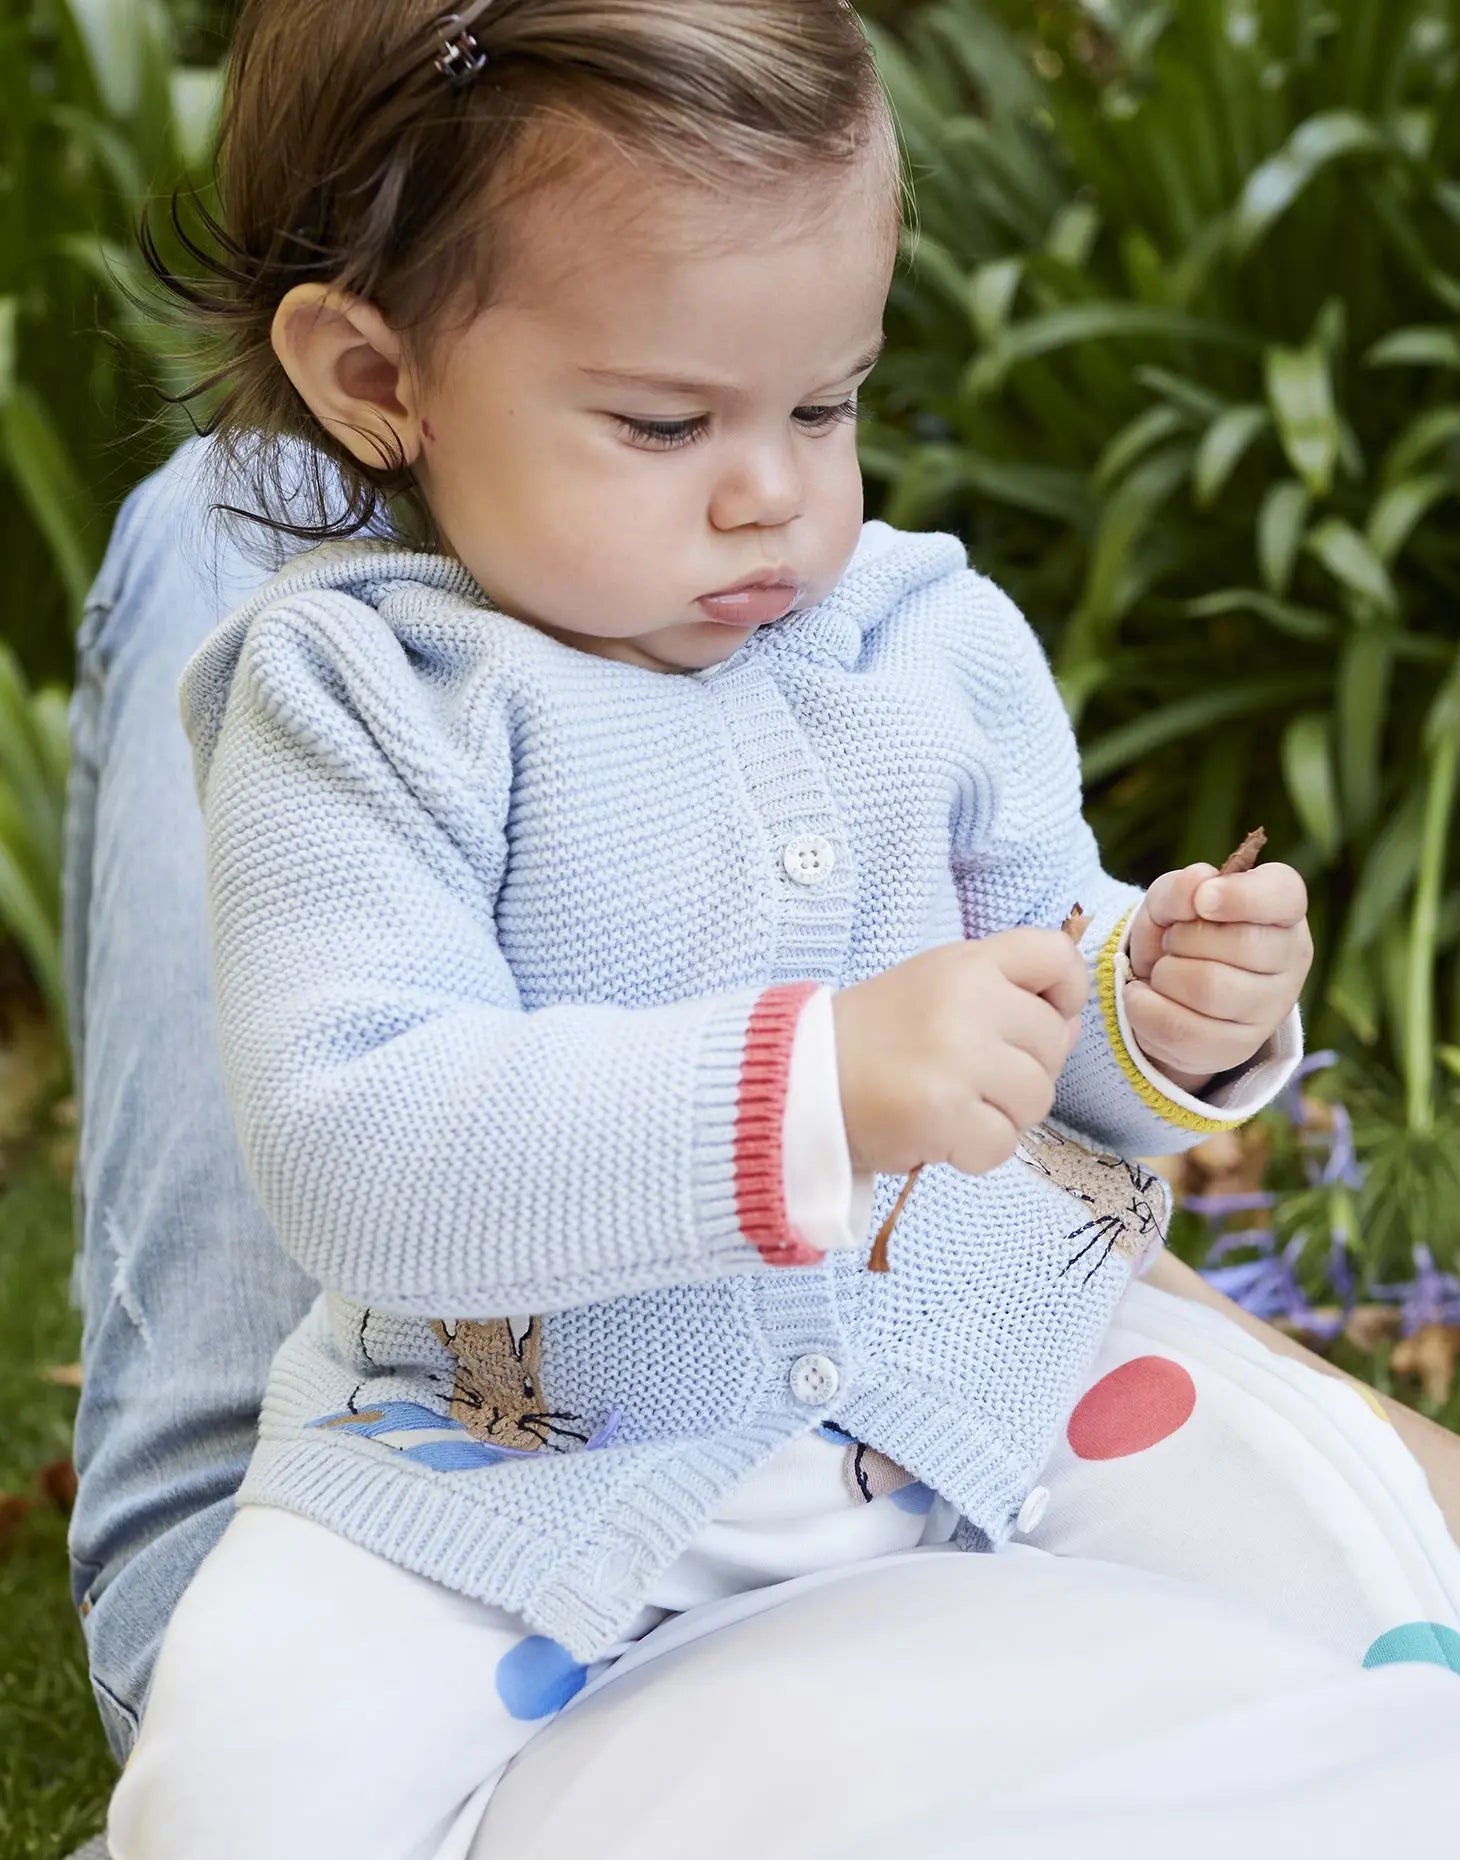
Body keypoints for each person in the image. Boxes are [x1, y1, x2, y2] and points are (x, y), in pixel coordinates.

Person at [57, 3, 1455, 1856]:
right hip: (510, 1478)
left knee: (1329, 1557)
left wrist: (1151, 1009)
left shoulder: (921, 640)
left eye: (827, 403)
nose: (775, 493)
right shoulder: (365, 696)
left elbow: (1037, 1007)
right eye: (663, 421)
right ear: (370, 376)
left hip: (957, 1399)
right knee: (243, 1784)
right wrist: (821, 1081)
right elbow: (357, 1141)